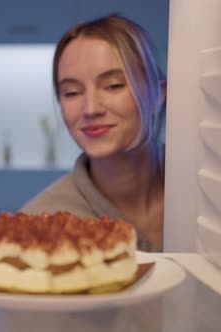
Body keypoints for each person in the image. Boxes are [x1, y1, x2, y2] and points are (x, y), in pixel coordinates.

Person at [20, 14, 166, 252]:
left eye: (113, 86)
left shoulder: (209, 196)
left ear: (157, 95)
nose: (90, 109)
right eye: (72, 92)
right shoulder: (38, 223)